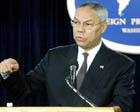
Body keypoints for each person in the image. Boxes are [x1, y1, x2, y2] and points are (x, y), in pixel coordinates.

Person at [0, 1, 135, 112]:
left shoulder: (121, 64)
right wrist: (9, 74)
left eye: (87, 24)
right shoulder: (55, 56)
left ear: (103, 27)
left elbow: (123, 105)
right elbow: (24, 89)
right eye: (75, 22)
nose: (79, 29)